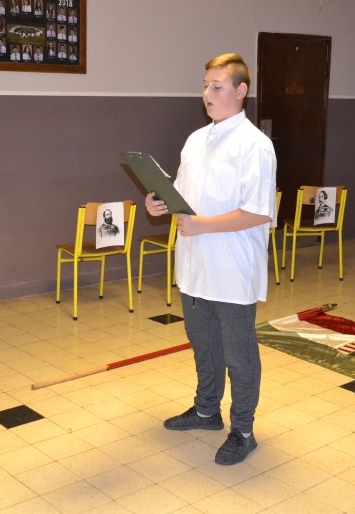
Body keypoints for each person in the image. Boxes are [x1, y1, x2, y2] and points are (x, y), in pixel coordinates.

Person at [145, 53, 276, 466]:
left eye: (217, 86)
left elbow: (258, 212)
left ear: (241, 91)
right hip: (195, 266)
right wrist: (158, 202)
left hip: (232, 269)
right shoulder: (196, 140)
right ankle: (206, 411)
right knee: (202, 344)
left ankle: (243, 431)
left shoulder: (256, 146)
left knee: (239, 353)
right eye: (205, 85)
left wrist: (201, 225)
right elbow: (182, 197)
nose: (207, 94)